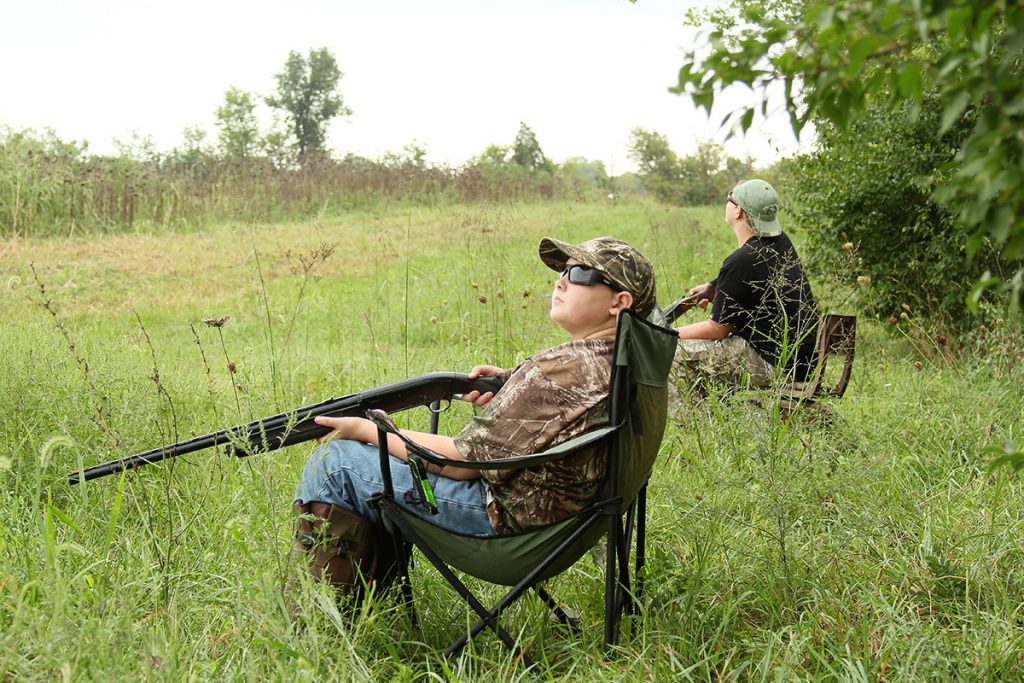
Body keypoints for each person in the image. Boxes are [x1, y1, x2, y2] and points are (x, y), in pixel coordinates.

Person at [292, 236, 656, 596]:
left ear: (619, 303)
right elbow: (565, 416)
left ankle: (323, 619)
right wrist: (512, 390)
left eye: (579, 274)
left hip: (505, 533)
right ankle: (371, 595)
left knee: (335, 464)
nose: (560, 280)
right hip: (565, 532)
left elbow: (461, 462)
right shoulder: (631, 362)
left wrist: (370, 430)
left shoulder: (558, 371)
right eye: (563, 270)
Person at [676, 179, 818, 392]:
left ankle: (704, 423)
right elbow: (756, 278)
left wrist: (666, 333)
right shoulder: (782, 242)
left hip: (774, 363)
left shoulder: (741, 261)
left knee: (673, 355)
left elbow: (717, 330)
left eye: (729, 199)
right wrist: (714, 286)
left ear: (738, 211)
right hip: (801, 362)